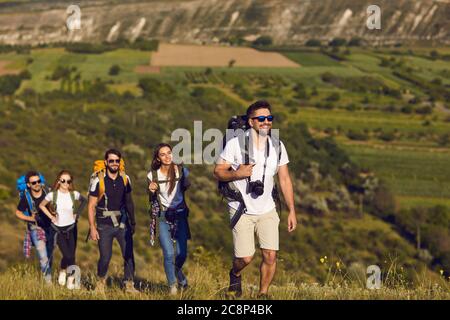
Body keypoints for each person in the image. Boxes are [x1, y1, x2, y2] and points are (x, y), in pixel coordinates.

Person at [214, 100, 297, 298]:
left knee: (270, 255)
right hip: (241, 207)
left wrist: (292, 210)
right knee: (245, 257)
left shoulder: (277, 145)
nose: (266, 122)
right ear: (251, 122)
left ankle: (263, 294)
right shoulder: (236, 144)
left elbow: (284, 179)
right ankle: (235, 274)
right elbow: (218, 171)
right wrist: (237, 174)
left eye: (269, 118)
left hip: (267, 208)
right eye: (261, 118)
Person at [87, 149, 138, 294]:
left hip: (123, 223)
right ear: (106, 162)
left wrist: (133, 222)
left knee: (128, 255)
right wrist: (92, 227)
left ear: (120, 162)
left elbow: (129, 202)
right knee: (105, 257)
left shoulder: (125, 178)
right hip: (104, 225)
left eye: (117, 161)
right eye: (111, 161)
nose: (114, 163)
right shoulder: (98, 181)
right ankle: (100, 283)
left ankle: (129, 285)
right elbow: (91, 205)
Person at [148, 143, 191, 295]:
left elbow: (186, 186)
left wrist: (185, 177)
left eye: (169, 153)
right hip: (163, 216)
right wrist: (151, 190)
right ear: (158, 158)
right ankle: (172, 287)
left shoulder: (181, 170)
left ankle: (180, 276)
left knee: (181, 254)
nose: (167, 156)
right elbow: (152, 199)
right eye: (163, 154)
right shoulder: (152, 176)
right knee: (168, 254)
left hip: (180, 215)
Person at [39, 170, 87, 290]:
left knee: (71, 255)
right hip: (58, 229)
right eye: (63, 180)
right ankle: (65, 273)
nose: (66, 183)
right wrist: (51, 216)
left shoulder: (74, 194)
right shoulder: (52, 195)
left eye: (68, 181)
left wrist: (77, 214)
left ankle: (69, 278)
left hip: (71, 228)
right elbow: (41, 205)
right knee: (68, 255)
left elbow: (84, 201)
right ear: (59, 181)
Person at [15, 171, 56, 284]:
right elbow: (18, 213)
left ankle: (47, 275)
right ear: (28, 184)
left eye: (38, 181)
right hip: (36, 228)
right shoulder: (26, 198)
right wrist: (30, 219)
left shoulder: (47, 192)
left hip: (51, 227)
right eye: (34, 183)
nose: (37, 184)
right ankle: (48, 284)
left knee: (50, 255)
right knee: (43, 256)